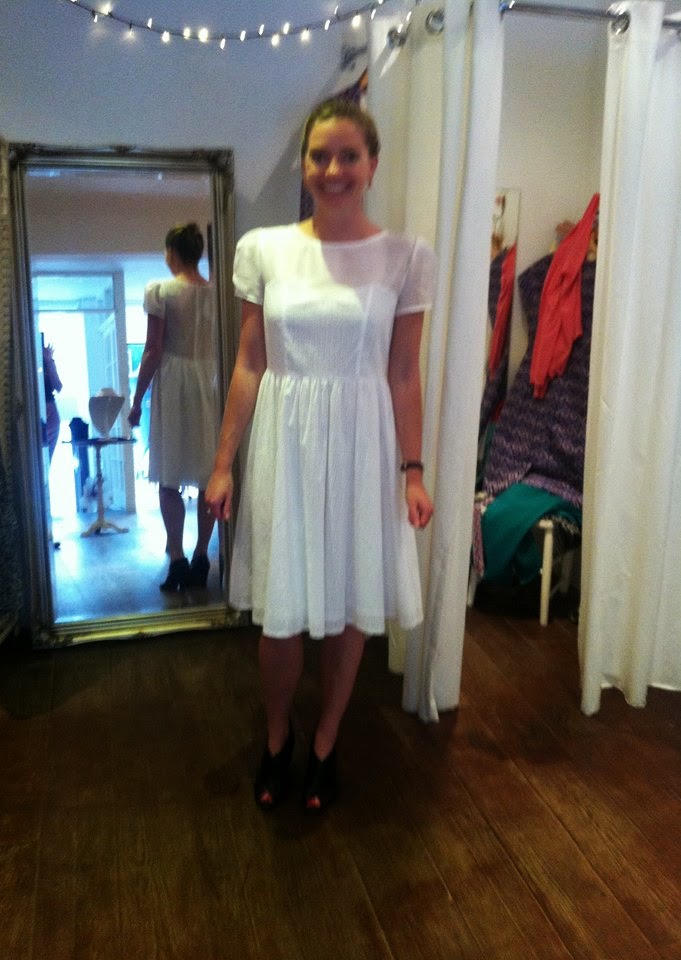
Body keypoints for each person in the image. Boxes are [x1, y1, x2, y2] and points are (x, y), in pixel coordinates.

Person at [205, 99, 436, 812]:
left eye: (348, 156)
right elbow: (249, 363)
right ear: (303, 164)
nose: (333, 169)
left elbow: (403, 373)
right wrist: (222, 462)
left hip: (364, 445)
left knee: (350, 604)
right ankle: (277, 737)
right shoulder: (264, 249)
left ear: (372, 164)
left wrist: (414, 471)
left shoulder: (405, 257)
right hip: (285, 442)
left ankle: (327, 740)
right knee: (279, 613)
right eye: (319, 155)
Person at [128, 222, 219, 592]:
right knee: (209, 476)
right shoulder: (216, 294)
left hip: (173, 383)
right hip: (209, 383)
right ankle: (202, 555)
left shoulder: (161, 291)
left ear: (171, 253)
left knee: (168, 476)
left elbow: (153, 349)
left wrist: (137, 400)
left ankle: (178, 558)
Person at [42, 335, 63, 462]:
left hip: (49, 408)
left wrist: (49, 360)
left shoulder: (47, 363)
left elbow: (58, 386)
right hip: (39, 409)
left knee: (47, 456)